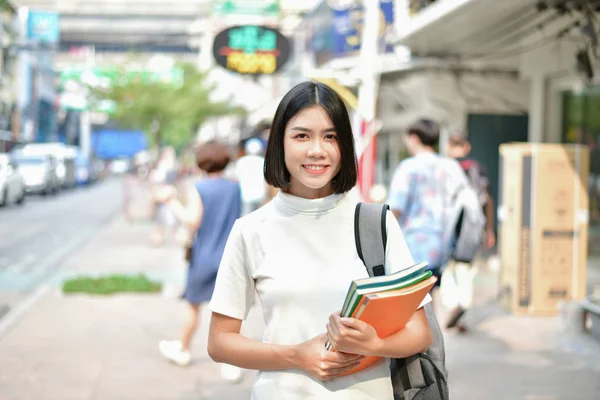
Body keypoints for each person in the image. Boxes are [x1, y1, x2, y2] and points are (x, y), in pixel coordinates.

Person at [207, 81, 433, 399]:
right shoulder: (250, 230)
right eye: (302, 136)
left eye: (331, 136)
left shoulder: (376, 223)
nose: (317, 149)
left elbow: (419, 332)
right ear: (279, 144)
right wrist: (297, 355)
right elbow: (220, 342)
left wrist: (376, 345)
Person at [156, 141, 241, 371]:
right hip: (230, 258)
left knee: (193, 307)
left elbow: (193, 221)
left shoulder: (200, 188)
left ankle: (183, 349)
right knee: (228, 314)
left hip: (204, 257)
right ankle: (231, 363)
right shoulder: (235, 187)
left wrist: (171, 201)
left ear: (201, 162)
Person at [386, 119, 468, 289]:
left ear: (414, 138)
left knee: (412, 302)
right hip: (441, 244)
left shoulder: (408, 168)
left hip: (411, 245)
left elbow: (395, 208)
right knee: (430, 298)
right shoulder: (449, 166)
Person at [442, 132, 496, 332]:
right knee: (466, 270)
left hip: (447, 227)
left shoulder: (443, 168)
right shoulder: (477, 168)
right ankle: (463, 310)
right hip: (471, 227)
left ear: (448, 146)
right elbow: (487, 200)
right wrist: (489, 229)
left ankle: (453, 305)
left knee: (446, 269)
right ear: (467, 147)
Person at [235, 137, 267, 216]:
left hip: (245, 196)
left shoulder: (241, 162)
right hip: (261, 195)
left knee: (247, 220)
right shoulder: (263, 162)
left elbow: (236, 178)